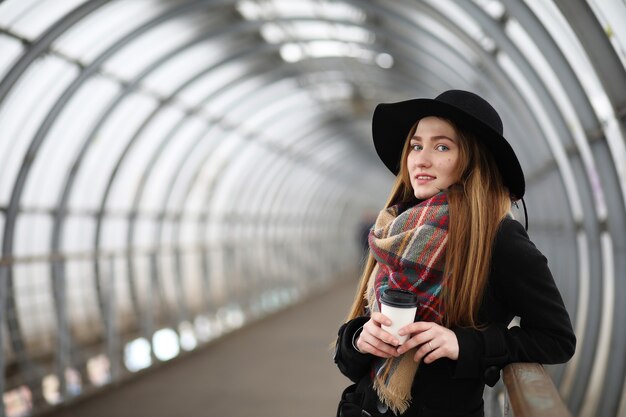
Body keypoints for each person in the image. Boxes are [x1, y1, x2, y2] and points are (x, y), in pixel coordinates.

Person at [333, 90, 575, 417]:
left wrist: (464, 345)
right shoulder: (395, 229)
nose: (421, 158)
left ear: (473, 162)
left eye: (442, 147)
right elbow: (350, 360)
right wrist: (360, 340)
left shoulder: (497, 237)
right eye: (416, 145)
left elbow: (556, 338)